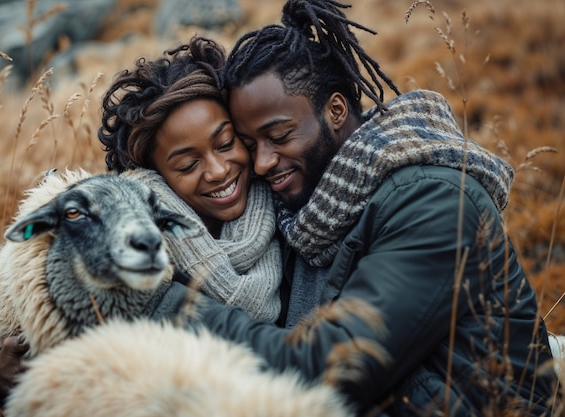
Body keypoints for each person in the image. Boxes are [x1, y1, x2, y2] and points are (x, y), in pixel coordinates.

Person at [119, 0, 558, 415]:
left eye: (279, 135)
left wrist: (163, 305)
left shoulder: (435, 202)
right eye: (249, 143)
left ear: (334, 110)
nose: (261, 162)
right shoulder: (301, 207)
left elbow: (329, 367)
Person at [0, 36, 283, 413]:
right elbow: (9, 333)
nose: (218, 170)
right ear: (157, 176)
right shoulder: (127, 233)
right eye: (187, 164)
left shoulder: (287, 208)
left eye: (226, 143)